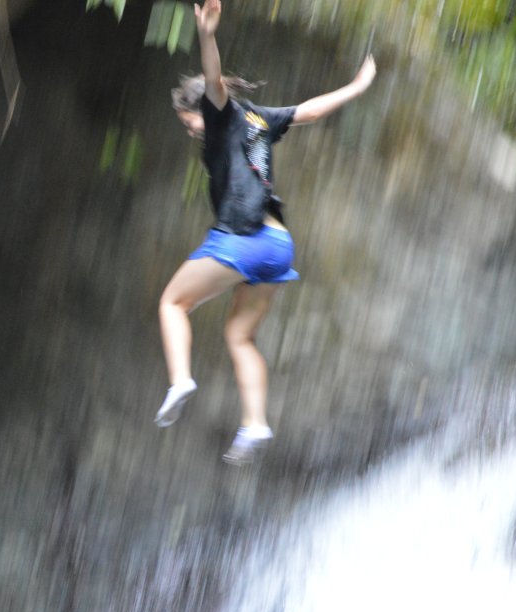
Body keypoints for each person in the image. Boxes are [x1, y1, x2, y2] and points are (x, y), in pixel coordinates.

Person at [154, 0, 376, 465]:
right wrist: (357, 87)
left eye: (189, 121)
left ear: (203, 109)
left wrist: (208, 35)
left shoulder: (221, 114)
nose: (192, 130)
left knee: (173, 303)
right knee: (239, 336)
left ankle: (180, 379)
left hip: (240, 239)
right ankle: (255, 424)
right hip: (278, 247)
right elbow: (309, 113)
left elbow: (212, 82)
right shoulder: (258, 117)